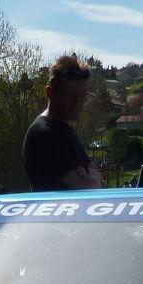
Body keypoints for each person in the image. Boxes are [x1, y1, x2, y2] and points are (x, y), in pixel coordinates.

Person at [22, 55, 101, 191]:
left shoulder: (66, 131)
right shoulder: (44, 134)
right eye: (70, 96)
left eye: (82, 97)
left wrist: (93, 177)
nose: (78, 103)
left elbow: (95, 180)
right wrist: (91, 175)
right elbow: (89, 186)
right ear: (50, 92)